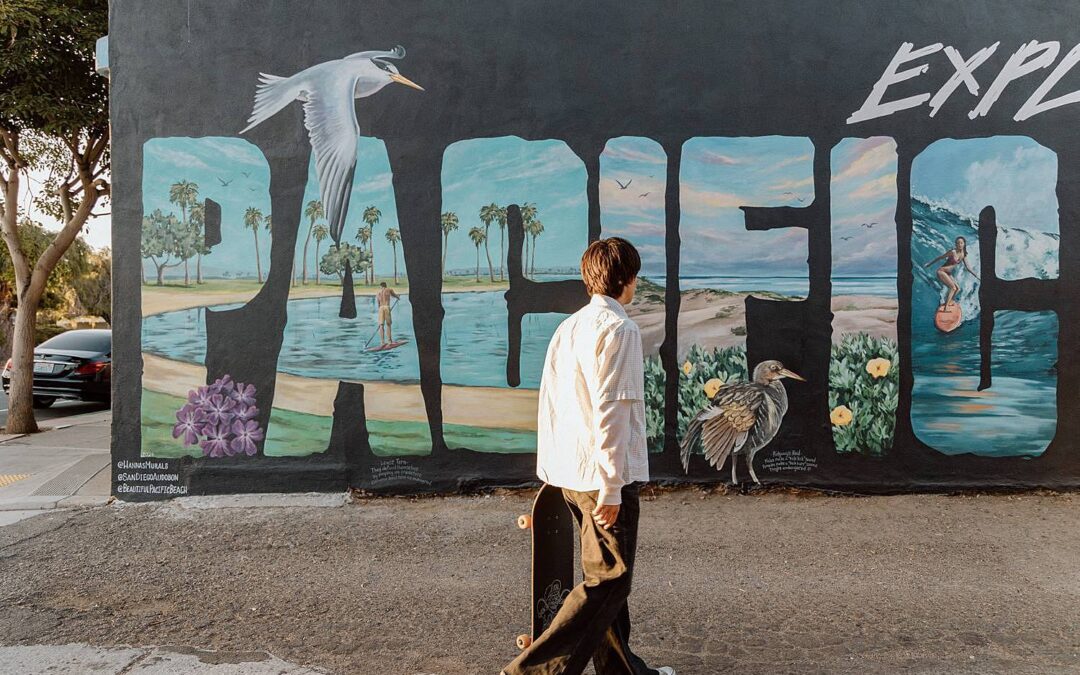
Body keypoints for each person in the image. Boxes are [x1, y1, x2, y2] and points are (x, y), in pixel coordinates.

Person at [502, 238, 673, 675]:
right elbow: (613, 409)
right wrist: (612, 485)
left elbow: (555, 402)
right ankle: (529, 672)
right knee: (609, 579)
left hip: (571, 473)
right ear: (628, 279)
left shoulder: (570, 327)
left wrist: (555, 468)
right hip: (601, 478)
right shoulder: (620, 329)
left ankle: (622, 671)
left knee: (605, 580)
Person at [925, 236, 979, 310]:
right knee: (953, 288)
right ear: (956, 244)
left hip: (948, 273)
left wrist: (977, 276)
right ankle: (946, 308)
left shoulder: (963, 255)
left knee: (957, 289)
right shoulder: (952, 252)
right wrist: (929, 264)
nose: (959, 245)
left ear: (964, 244)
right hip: (941, 271)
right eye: (958, 243)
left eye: (961, 243)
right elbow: (940, 257)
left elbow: (968, 268)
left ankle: (948, 302)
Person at [375, 282, 399, 346]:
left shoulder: (378, 292)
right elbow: (394, 295)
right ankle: (389, 341)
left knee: (381, 325)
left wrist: (380, 309)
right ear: (386, 285)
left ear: (381, 286)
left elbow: (378, 303)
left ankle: (382, 342)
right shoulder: (389, 289)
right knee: (388, 325)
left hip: (381, 308)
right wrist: (398, 297)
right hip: (386, 307)